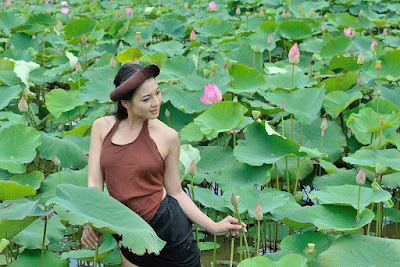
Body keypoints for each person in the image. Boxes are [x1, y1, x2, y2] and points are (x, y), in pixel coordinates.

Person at [81, 63, 247, 267]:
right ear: (125, 102)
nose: (156, 102)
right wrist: (91, 218)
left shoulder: (168, 136)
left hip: (167, 230)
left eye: (157, 93)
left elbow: (176, 192)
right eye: (146, 99)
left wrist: (213, 226)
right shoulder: (101, 128)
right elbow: (94, 182)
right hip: (125, 227)